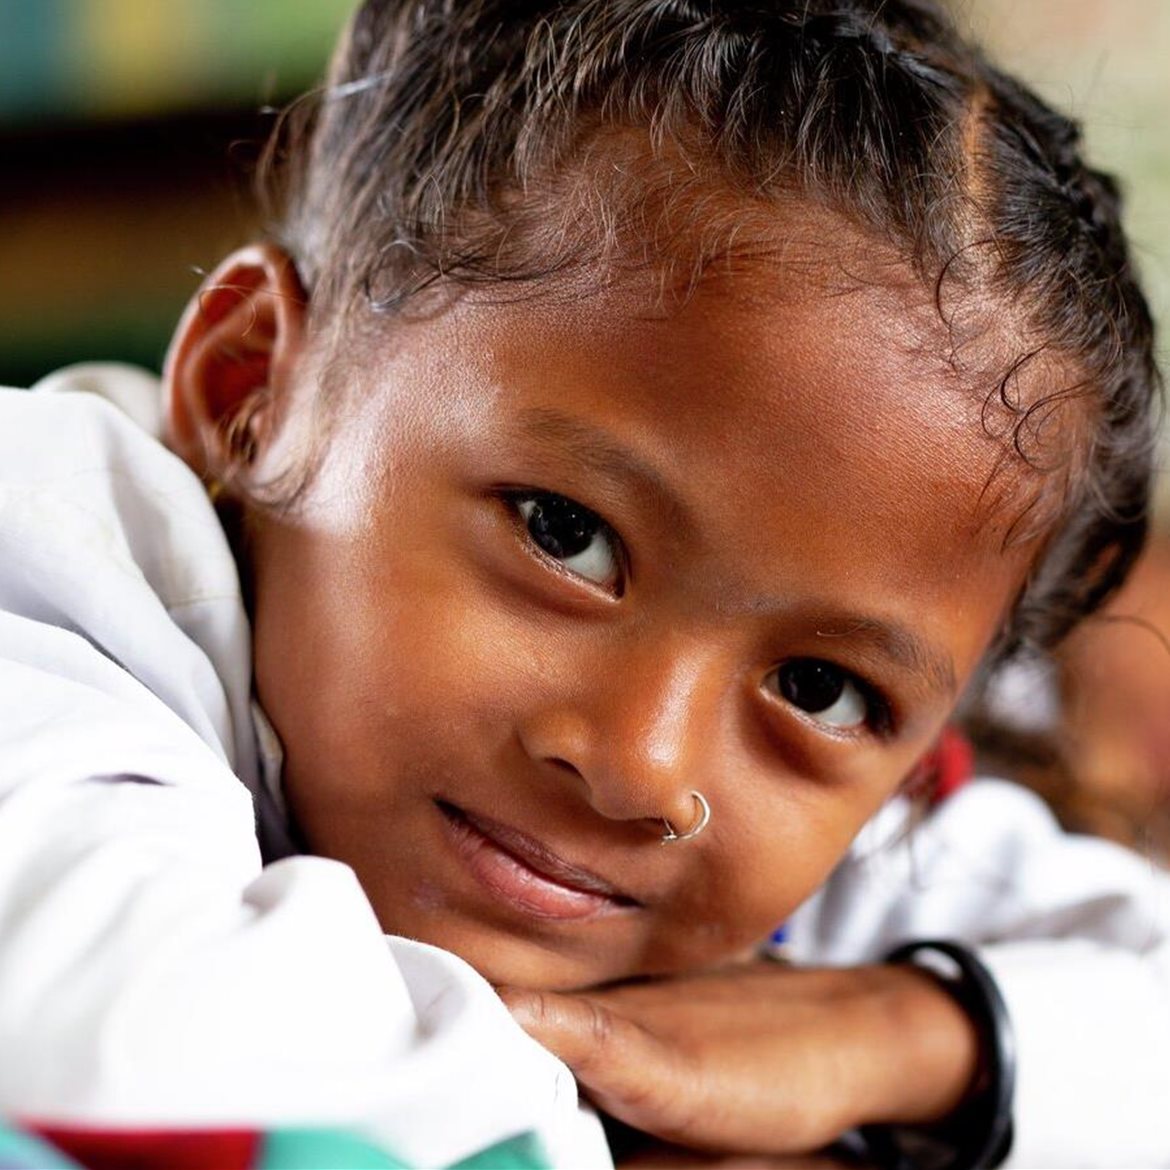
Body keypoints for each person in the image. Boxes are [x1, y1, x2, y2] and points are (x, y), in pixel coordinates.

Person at [1, 1, 1167, 1167]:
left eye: (819, 688)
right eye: (567, 535)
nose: (640, 765)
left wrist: (913, 1039)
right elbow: (160, 1063)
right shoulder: (41, 584)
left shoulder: (852, 826)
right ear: (251, 388)